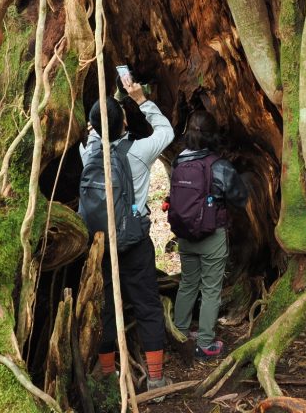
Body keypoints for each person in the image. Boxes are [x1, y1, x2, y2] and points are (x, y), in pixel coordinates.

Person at [81, 77, 174, 391]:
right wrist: (141, 99)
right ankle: (157, 378)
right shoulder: (139, 152)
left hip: (99, 244)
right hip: (134, 242)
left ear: (93, 126)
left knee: (105, 305)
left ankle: (107, 377)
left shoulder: (87, 152)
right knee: (147, 304)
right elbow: (167, 132)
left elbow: (95, 135)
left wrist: (97, 127)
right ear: (123, 122)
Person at [171, 110, 248, 359]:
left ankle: (179, 332)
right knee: (211, 288)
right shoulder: (220, 166)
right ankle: (205, 343)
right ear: (213, 135)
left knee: (188, 284)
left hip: (185, 234)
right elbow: (240, 197)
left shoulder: (179, 161)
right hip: (211, 235)